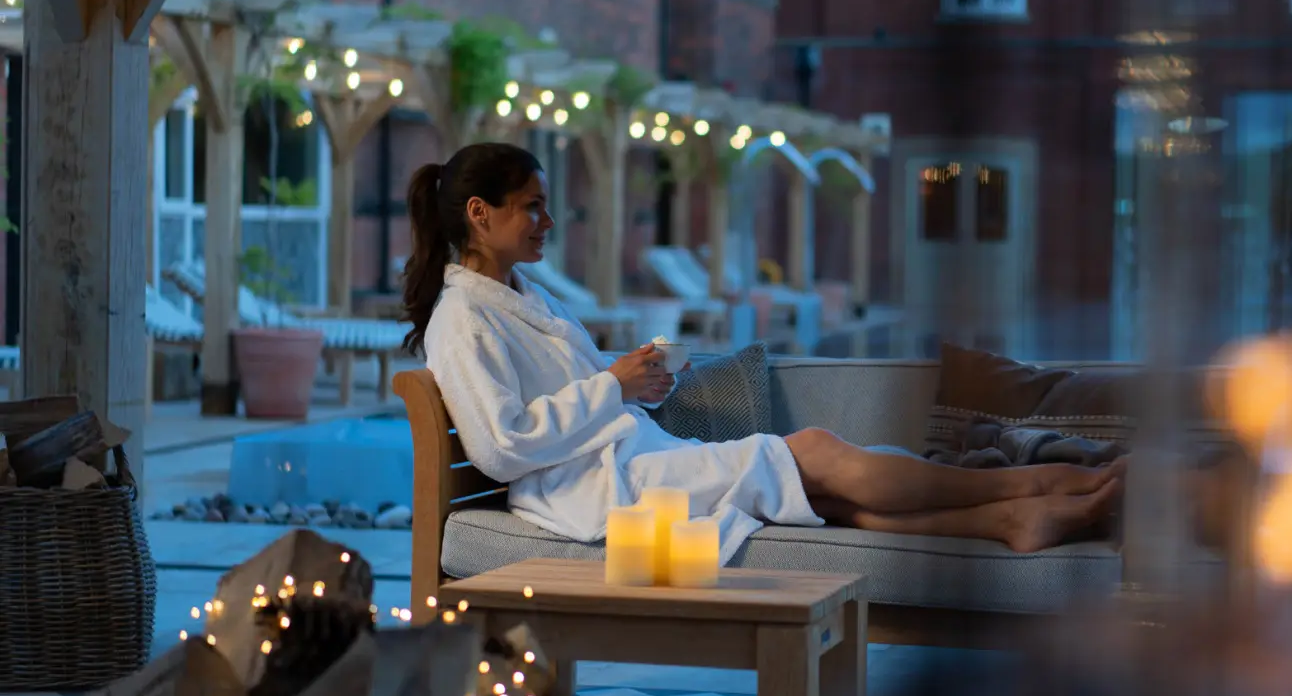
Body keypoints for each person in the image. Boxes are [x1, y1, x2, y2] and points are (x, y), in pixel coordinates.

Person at [404, 142, 1124, 563]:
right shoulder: (461, 319)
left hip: (623, 462)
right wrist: (611, 389)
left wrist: (632, 378)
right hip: (591, 494)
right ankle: (1029, 486)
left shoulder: (524, 295)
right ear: (479, 213)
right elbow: (501, 449)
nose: (547, 221)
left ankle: (1012, 521)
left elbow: (572, 398)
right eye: (532, 205)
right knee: (813, 451)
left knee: (829, 492)